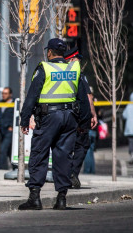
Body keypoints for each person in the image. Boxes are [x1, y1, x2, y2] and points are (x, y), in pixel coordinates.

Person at [18, 38, 92, 211]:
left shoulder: (45, 68)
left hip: (48, 117)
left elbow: (32, 96)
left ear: (49, 52)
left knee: (39, 153)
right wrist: (84, 123)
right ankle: (61, 198)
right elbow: (83, 98)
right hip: (70, 118)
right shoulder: (73, 69)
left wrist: (25, 119)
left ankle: (35, 197)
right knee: (63, 156)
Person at [64, 47, 97, 189]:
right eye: (78, 59)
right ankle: (72, 174)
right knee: (82, 145)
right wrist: (92, 114)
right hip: (78, 117)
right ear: (72, 60)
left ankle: (63, 175)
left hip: (61, 116)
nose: (79, 62)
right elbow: (88, 97)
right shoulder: (79, 75)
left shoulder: (57, 73)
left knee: (63, 146)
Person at [0, 87, 14, 170]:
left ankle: (2, 168)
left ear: (10, 94)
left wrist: (12, 126)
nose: (3, 95)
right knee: (7, 150)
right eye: (3, 93)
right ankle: (15, 167)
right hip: (1, 130)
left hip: (9, 130)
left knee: (3, 149)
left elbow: (17, 116)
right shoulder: (0, 103)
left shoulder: (14, 103)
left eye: (6, 93)